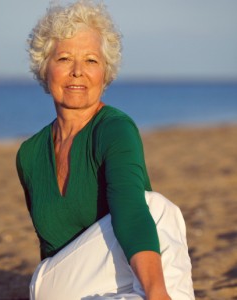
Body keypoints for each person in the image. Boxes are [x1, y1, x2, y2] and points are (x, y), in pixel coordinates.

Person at [16, 1, 194, 299]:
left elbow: (129, 211)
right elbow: (52, 241)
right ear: (44, 67)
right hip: (53, 282)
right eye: (64, 58)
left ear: (105, 72)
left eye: (91, 60)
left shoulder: (114, 129)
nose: (77, 72)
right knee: (159, 210)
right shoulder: (29, 154)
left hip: (109, 286)